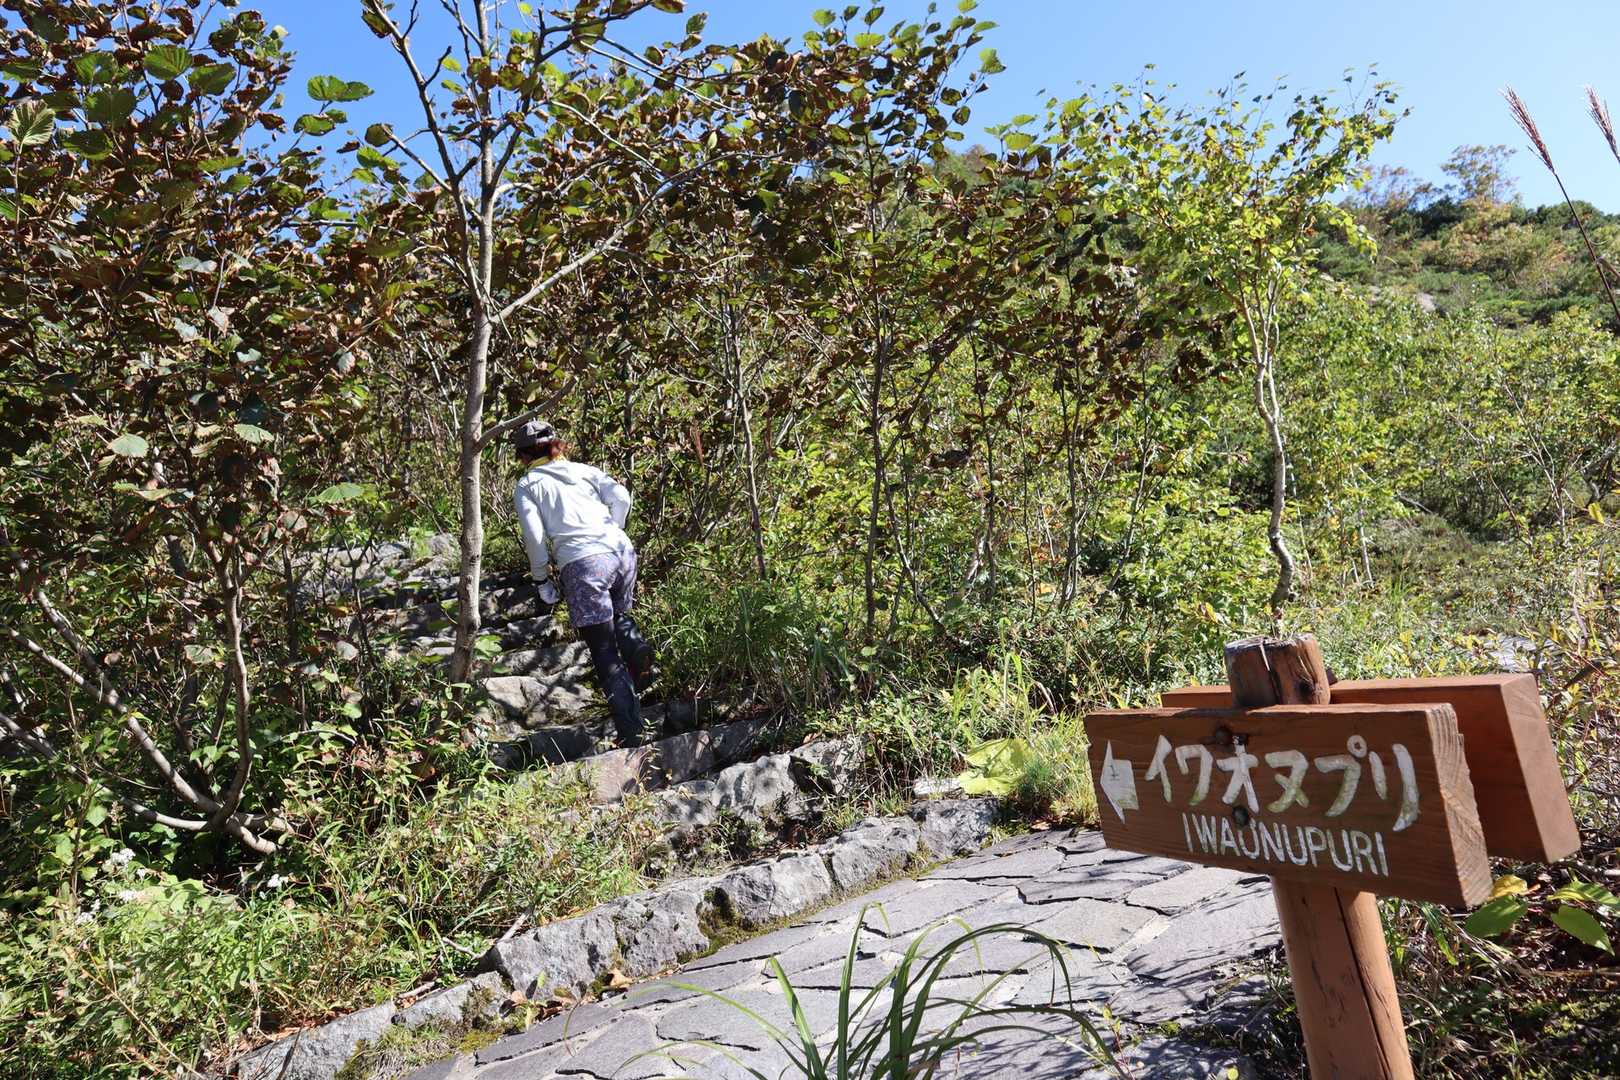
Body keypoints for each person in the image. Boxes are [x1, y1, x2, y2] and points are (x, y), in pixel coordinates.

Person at [510, 420, 655, 746]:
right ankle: (636, 648)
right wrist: (613, 529)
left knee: (603, 651)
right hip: (621, 551)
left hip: (583, 563)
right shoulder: (584, 470)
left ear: (523, 455)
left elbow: (534, 537)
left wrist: (541, 579)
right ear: (556, 445)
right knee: (618, 616)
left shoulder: (528, 485)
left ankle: (632, 733)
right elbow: (621, 496)